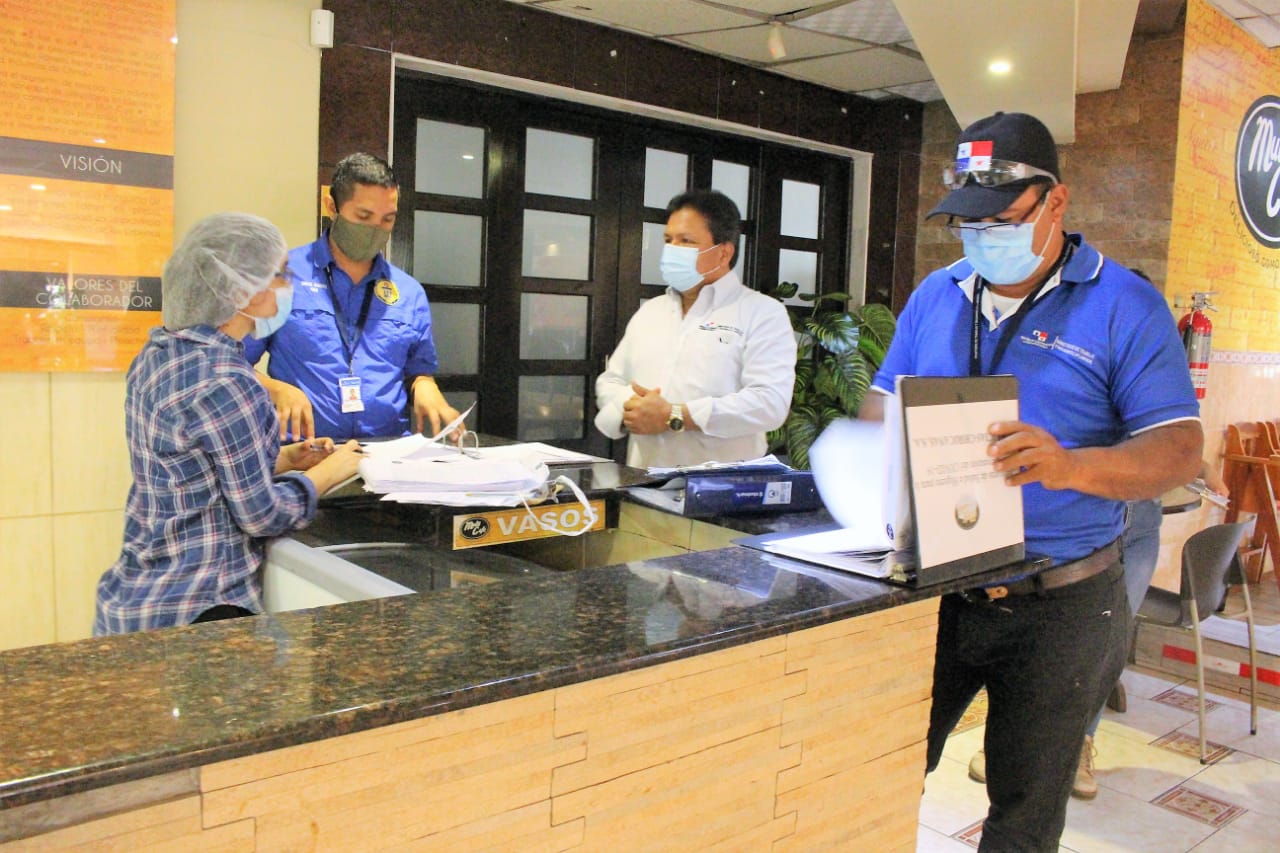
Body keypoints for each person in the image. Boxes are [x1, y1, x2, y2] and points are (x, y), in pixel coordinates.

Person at [859, 112, 1202, 850]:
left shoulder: (1123, 304)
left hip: (1063, 602)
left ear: (1056, 202)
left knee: (1023, 811)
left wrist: (1069, 463)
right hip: (938, 590)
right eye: (967, 222)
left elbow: (1180, 451)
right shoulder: (939, 292)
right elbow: (880, 401)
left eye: (1001, 220)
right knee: (876, 772)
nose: (982, 238)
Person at [95, 213, 363, 634]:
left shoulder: (156, 354)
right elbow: (262, 516)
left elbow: (191, 467)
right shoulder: (230, 381)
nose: (287, 287)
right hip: (199, 609)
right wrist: (330, 473)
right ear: (242, 291)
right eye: (278, 276)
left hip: (134, 599)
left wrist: (282, 460)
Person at [244, 152, 460, 441]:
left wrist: (424, 385)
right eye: (363, 216)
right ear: (332, 207)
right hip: (307, 457)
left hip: (389, 456)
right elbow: (230, 364)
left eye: (387, 219)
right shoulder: (281, 277)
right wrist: (278, 390)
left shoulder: (408, 293)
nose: (375, 229)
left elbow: (415, 370)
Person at [594, 189, 796, 468]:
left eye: (686, 241)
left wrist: (675, 415)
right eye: (668, 240)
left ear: (723, 253)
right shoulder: (650, 311)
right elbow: (611, 381)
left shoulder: (762, 313)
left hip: (722, 491)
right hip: (643, 482)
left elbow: (769, 403)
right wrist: (634, 408)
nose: (672, 249)